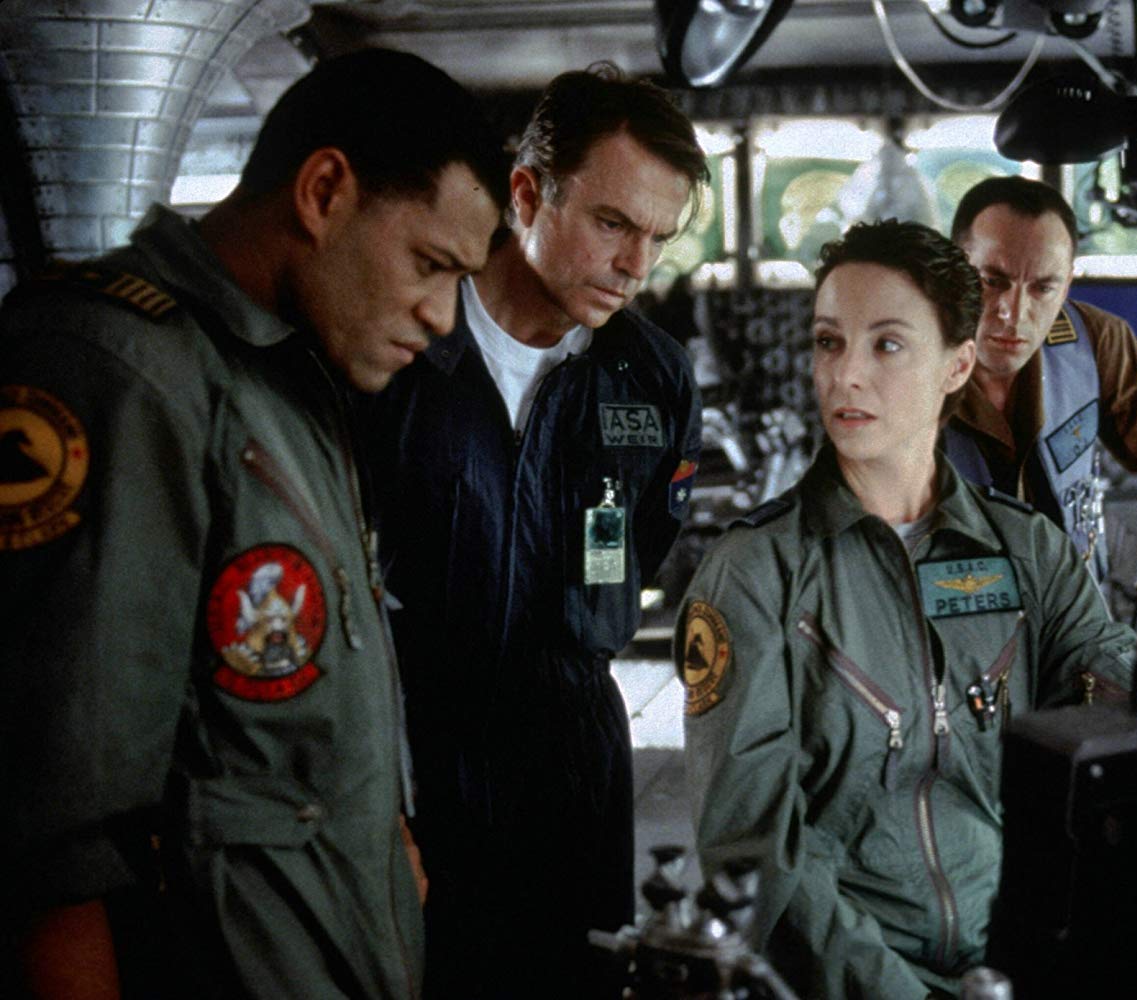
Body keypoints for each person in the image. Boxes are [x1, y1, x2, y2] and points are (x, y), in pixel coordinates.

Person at [0, 49, 502, 999]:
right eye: (431, 265)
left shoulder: (286, 375)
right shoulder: (117, 372)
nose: (443, 318)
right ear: (323, 193)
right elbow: (48, 854)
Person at [679, 219, 1137, 999]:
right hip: (845, 980)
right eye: (829, 342)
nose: (845, 375)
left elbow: (1120, 705)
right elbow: (754, 845)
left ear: (957, 366)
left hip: (1019, 961)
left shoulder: (1027, 553)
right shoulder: (754, 574)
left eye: (886, 345)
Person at [364, 64, 707, 997]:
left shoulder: (652, 375)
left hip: (573, 749)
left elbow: (642, 542)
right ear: (526, 194)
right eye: (612, 223)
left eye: (658, 239)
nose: (637, 265)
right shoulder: (402, 342)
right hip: (412, 746)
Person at [945, 176, 1137, 619]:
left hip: (1075, 627)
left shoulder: (1098, 340)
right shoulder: (909, 361)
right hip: (953, 638)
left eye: (1043, 287)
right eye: (992, 281)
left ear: (1067, 284)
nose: (1015, 312)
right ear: (954, 269)